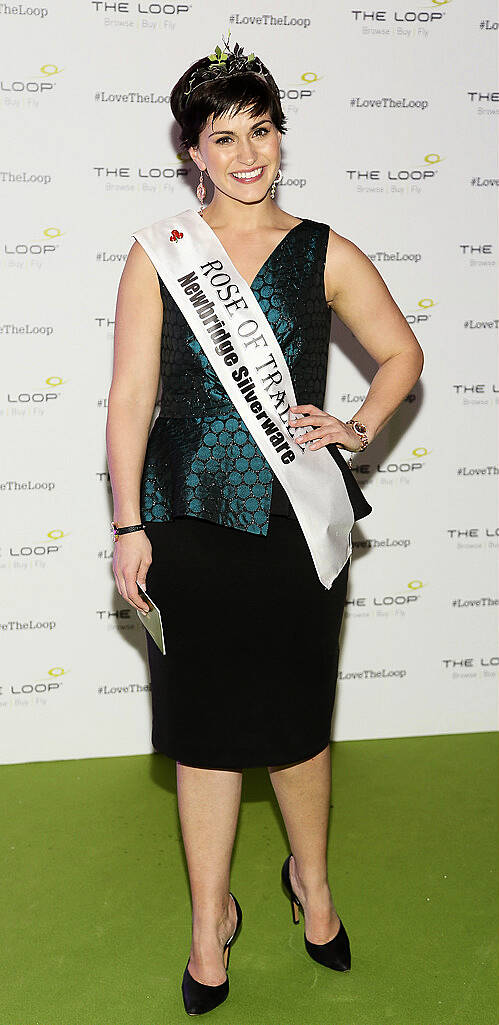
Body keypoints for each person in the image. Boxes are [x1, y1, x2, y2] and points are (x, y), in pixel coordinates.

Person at [105, 33, 424, 1016]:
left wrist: (358, 426)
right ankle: (211, 919)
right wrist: (128, 524)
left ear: (281, 136)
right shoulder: (160, 253)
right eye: (222, 135)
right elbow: (128, 398)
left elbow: (400, 354)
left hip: (295, 521)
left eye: (261, 129)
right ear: (191, 151)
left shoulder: (323, 249)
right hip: (188, 515)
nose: (245, 151)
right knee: (202, 733)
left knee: (293, 727)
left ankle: (310, 885)